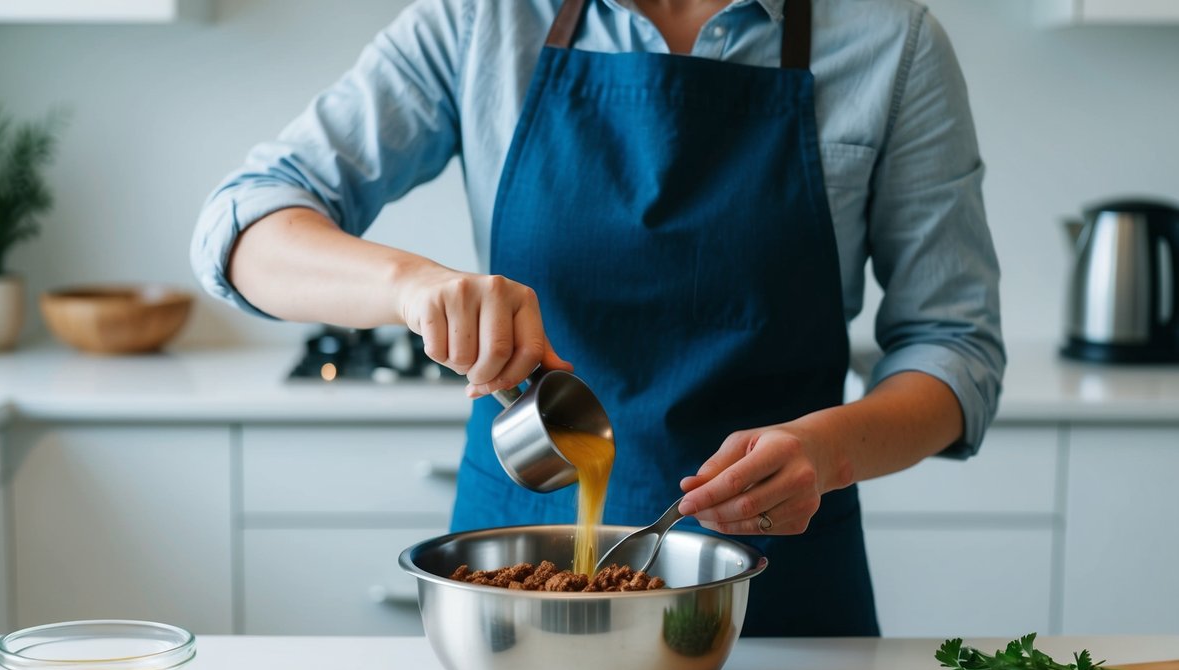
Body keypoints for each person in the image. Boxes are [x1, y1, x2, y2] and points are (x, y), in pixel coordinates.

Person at [191, 0, 1004, 637]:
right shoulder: (481, 20)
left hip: (773, 593)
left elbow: (954, 347)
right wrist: (411, 286)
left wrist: (828, 453)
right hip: (518, 576)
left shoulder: (891, 45)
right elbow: (242, 223)